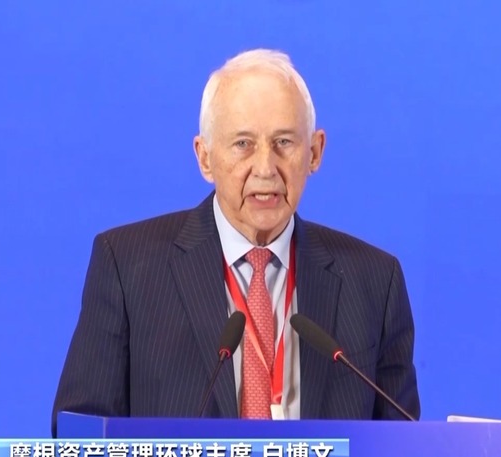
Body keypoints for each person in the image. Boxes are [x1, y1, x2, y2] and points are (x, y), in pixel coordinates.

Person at [51, 49, 420, 437]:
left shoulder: (375, 281)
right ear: (205, 158)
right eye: (243, 144)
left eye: (283, 142)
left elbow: (404, 448)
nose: (265, 168)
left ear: (314, 152)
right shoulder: (127, 268)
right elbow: (80, 438)